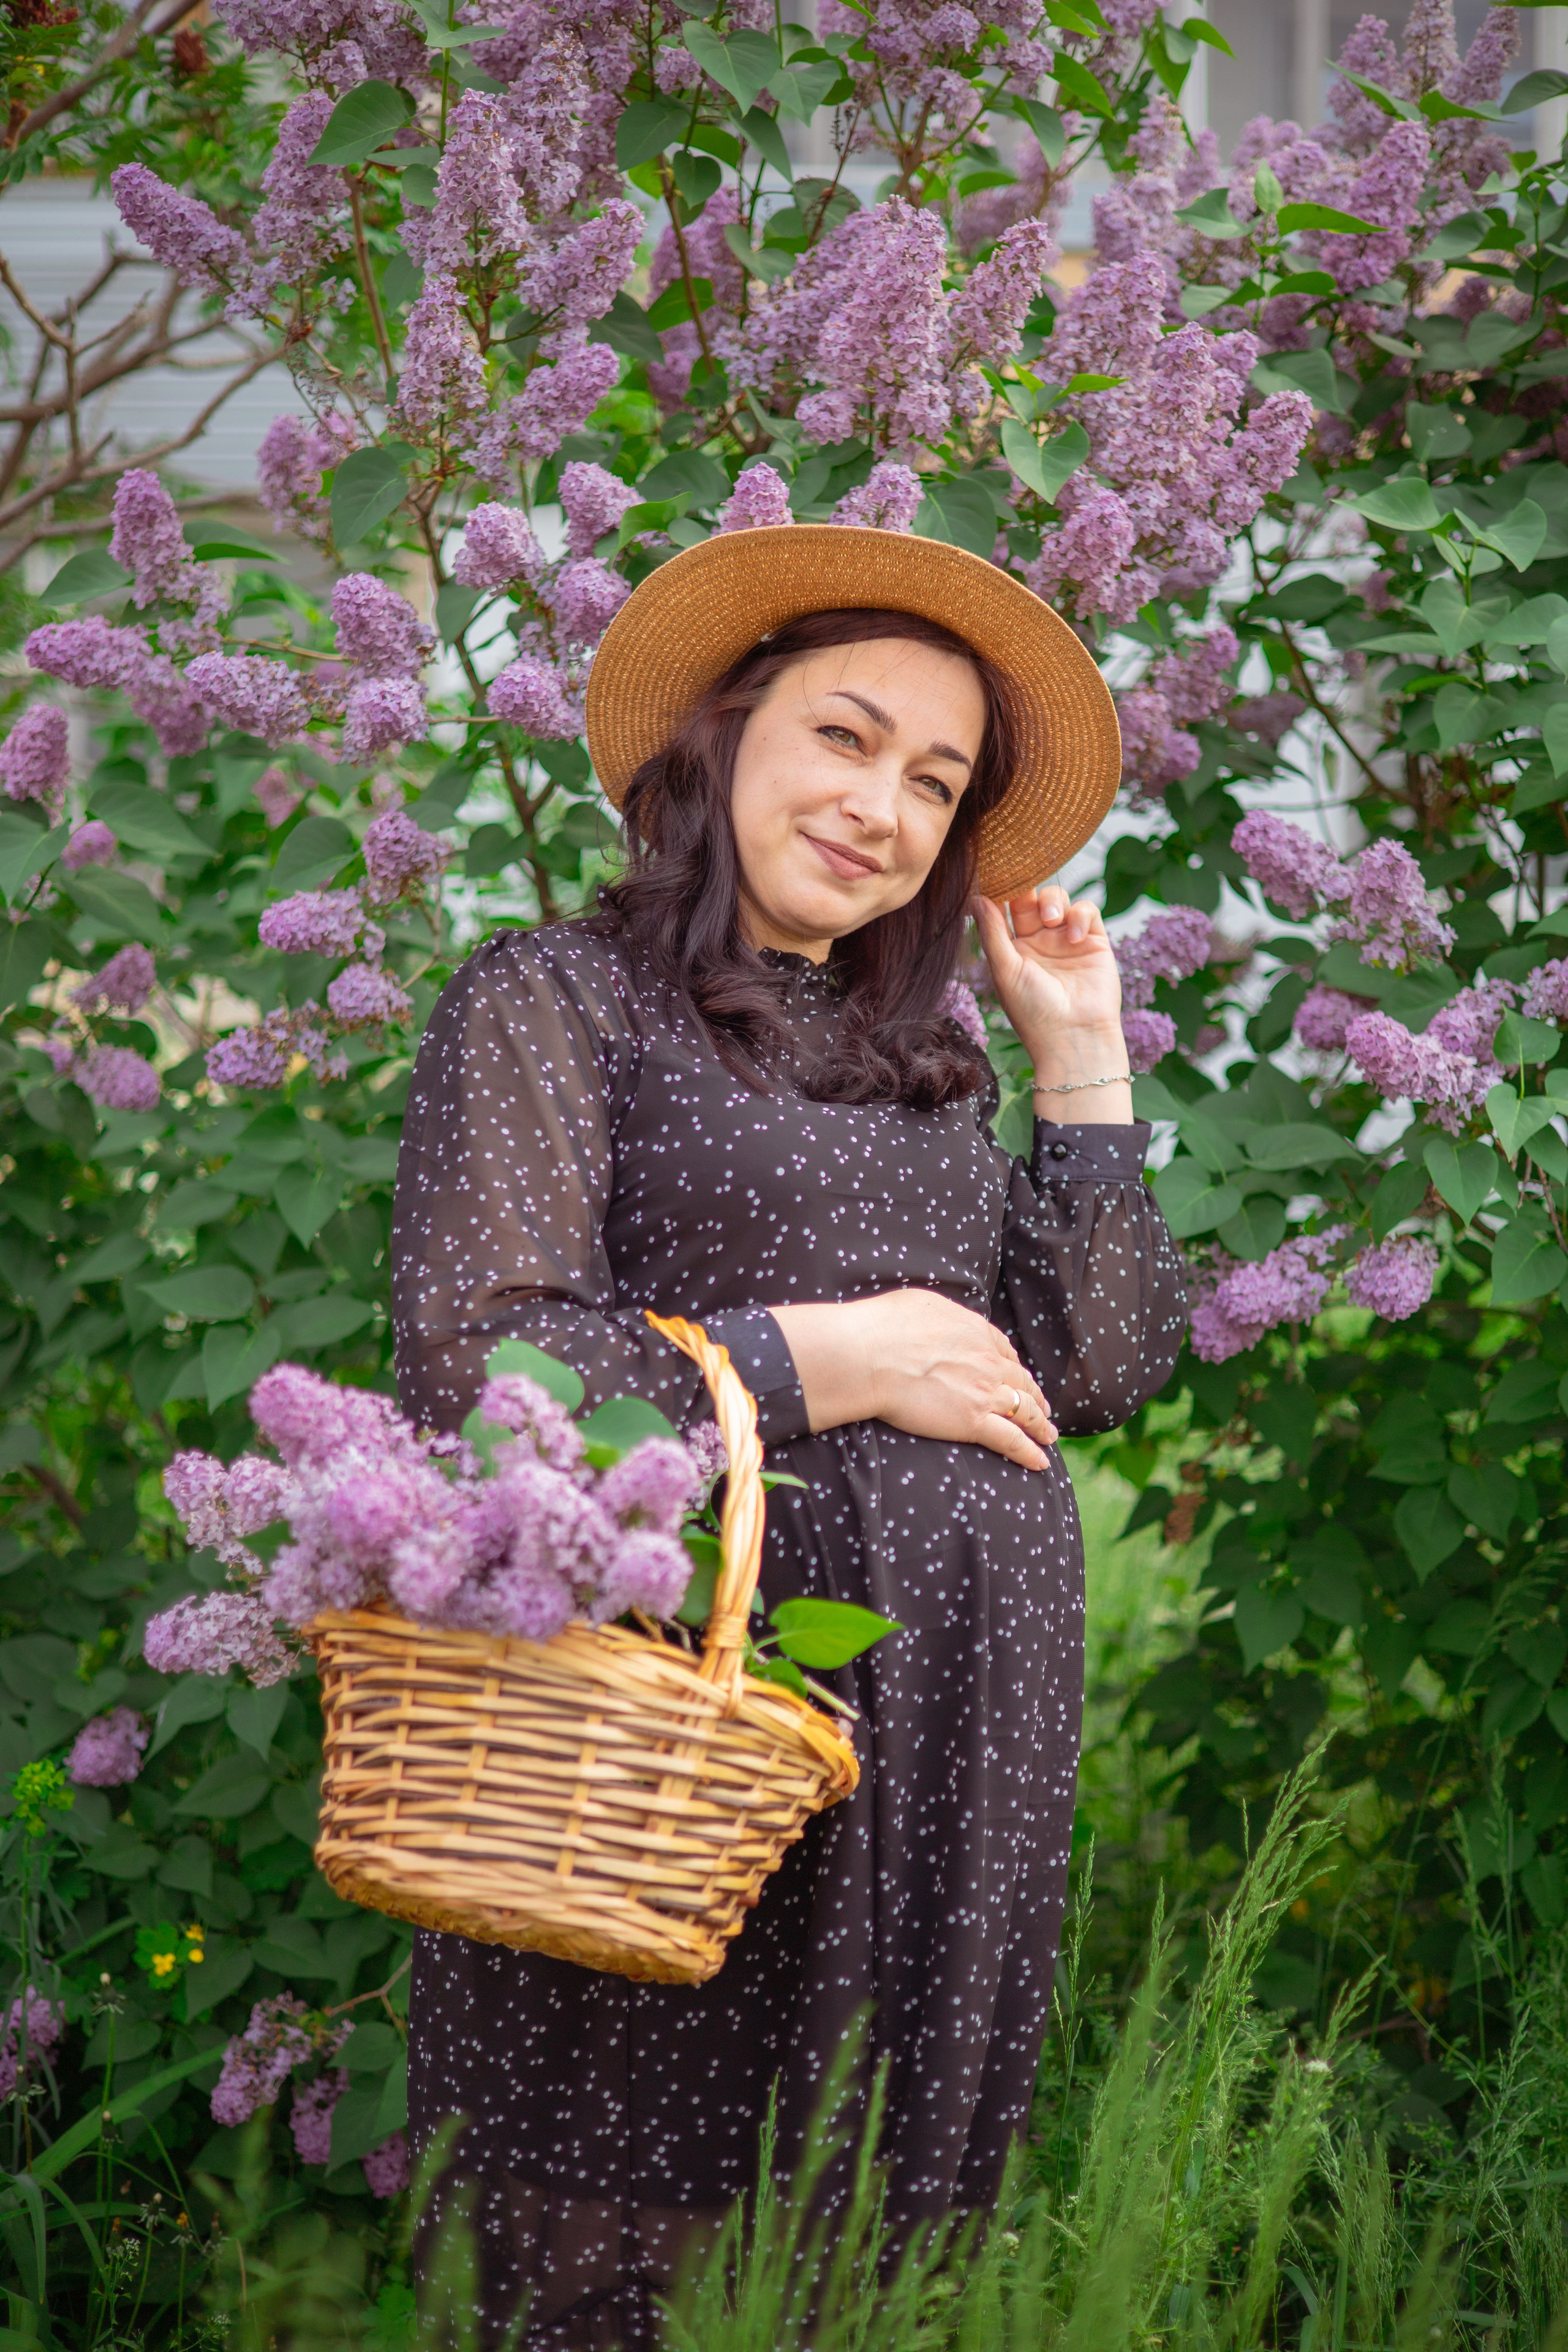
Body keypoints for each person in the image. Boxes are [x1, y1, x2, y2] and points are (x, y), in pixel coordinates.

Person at [391, 523, 1188, 2348]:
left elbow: (1095, 1362)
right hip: (687, 1710)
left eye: (936, 782)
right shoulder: (558, 1000)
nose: (882, 808)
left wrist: (1081, 1061)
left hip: (954, 1729)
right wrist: (833, 1357)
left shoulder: (917, 1065)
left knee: (872, 2227)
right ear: (726, 729)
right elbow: (480, 1359)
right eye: (845, 736)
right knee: (635, 2201)